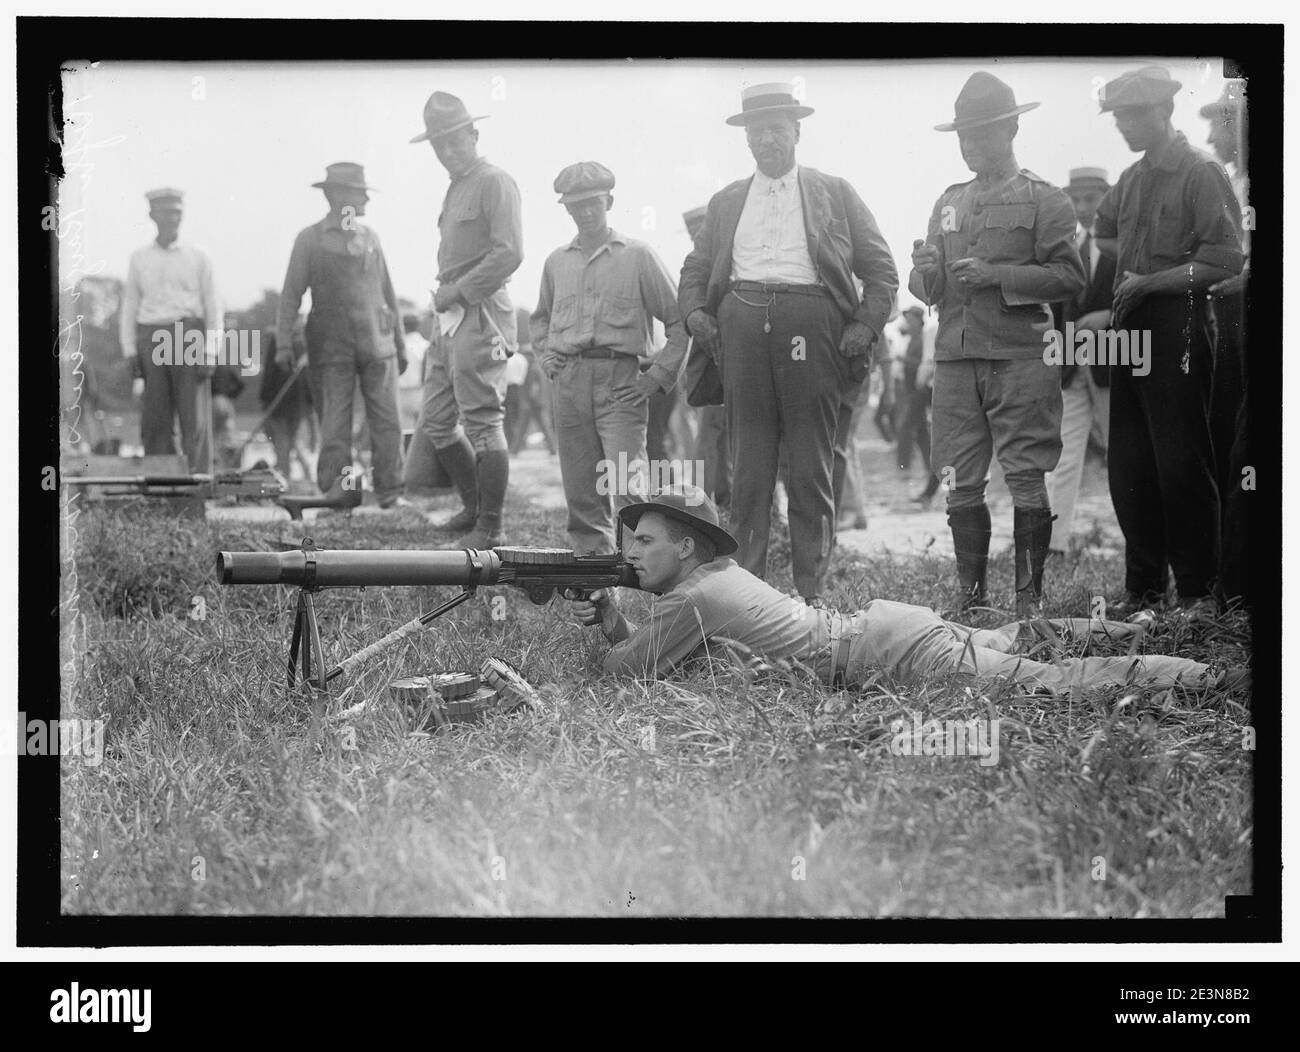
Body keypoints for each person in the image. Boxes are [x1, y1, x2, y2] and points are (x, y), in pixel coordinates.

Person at [566, 484, 1245, 694]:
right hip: (886, 630)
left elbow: (628, 672)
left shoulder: (696, 597)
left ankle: (1196, 674)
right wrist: (617, 608)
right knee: (1015, 638)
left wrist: (610, 620)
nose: (633, 552)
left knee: (1045, 681)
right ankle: (1146, 629)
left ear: (686, 546)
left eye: (646, 541)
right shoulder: (714, 576)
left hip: (888, 655)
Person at [680, 81, 897, 604]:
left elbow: (881, 269)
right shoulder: (728, 199)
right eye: (756, 132)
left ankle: (811, 595)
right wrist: (694, 315)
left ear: (796, 130)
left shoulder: (834, 192)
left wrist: (864, 326)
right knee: (748, 469)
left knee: (810, 464)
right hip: (742, 331)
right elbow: (696, 268)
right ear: (746, 140)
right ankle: (747, 595)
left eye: (776, 128)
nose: (766, 140)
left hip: (812, 328)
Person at [909, 72, 1085, 615]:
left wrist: (996, 275)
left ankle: (1029, 605)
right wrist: (924, 272)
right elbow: (928, 291)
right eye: (963, 136)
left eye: (982, 134)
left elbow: (1068, 278)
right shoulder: (948, 200)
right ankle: (971, 600)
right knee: (960, 482)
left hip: (1020, 357)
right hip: (957, 359)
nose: (971, 146)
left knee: (1026, 477)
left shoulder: (1046, 199)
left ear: (1011, 128)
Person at [1094, 67, 1244, 617]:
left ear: (1165, 112)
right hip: (1129, 327)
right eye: (1118, 117)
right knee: (1129, 465)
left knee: (1181, 462)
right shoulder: (1132, 178)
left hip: (1178, 326)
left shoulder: (1200, 172)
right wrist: (1130, 272)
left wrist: (1149, 279)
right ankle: (1144, 588)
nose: (1125, 126)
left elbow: (1226, 260)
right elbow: (1101, 228)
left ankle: (1199, 591)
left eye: (1134, 115)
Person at [531, 162, 687, 555]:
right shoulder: (556, 262)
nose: (584, 211)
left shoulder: (637, 256)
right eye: (575, 204)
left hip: (621, 380)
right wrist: (547, 357)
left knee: (626, 483)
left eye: (593, 203)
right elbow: (540, 319)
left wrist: (659, 376)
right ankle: (593, 570)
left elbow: (680, 320)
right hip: (569, 380)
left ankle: (640, 567)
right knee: (581, 485)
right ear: (566, 208)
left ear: (609, 202)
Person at [407, 91, 524, 548]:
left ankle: (490, 526)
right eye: (440, 145)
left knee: (483, 421)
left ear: (474, 134)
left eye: (456, 141)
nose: (449, 152)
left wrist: (459, 290)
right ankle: (473, 507)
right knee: (437, 421)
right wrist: (447, 295)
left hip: (481, 313)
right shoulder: (456, 186)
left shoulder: (496, 182)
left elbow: (510, 252)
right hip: (448, 317)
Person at [275, 162, 408, 509]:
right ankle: (340, 495)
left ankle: (391, 494)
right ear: (335, 196)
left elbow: (387, 293)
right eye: (357, 192)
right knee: (335, 425)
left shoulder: (371, 239)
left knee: (388, 422)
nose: (365, 198)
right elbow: (290, 295)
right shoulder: (310, 239)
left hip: (378, 346)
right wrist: (284, 342)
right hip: (331, 348)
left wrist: (400, 343)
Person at [118, 187, 221, 471]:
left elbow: (213, 306)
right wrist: (129, 349)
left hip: (188, 336)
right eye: (165, 213)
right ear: (153, 215)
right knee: (156, 419)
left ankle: (197, 487)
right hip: (151, 337)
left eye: (177, 213)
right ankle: (162, 486)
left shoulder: (198, 256)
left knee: (194, 419)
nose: (172, 219)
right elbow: (129, 306)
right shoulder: (140, 258)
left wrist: (211, 351)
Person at [1045, 167, 1116, 555]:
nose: (1084, 207)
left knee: (1120, 456)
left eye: (1092, 198)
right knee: (1065, 455)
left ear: (1106, 198)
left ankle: (1136, 541)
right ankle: (1055, 543)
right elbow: (1056, 313)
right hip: (1072, 365)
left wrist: (1109, 317)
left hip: (1115, 360)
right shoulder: (1065, 248)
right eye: (1077, 199)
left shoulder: (1121, 245)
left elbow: (1136, 296)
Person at [1199, 79, 1250, 606]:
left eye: (1223, 122)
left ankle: (1240, 589)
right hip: (1230, 319)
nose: (1213, 135)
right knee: (1227, 446)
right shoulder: (1231, 181)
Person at [684, 204, 731, 510]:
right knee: (709, 436)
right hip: (712, 365)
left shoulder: (734, 259)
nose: (697, 235)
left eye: (701, 228)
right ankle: (710, 506)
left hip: (742, 358)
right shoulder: (697, 267)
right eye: (692, 231)